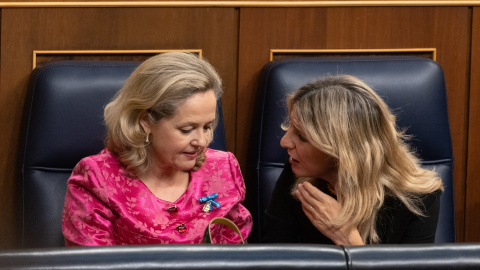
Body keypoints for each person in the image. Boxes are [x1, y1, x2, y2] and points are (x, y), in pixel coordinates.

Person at [62, 52, 252, 245]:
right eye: (187, 130)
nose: (202, 141)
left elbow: (236, 257)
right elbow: (92, 265)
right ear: (145, 121)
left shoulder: (221, 170)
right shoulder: (97, 180)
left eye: (207, 127)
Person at [261, 74, 443, 245]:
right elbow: (272, 260)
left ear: (342, 151)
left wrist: (348, 240)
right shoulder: (296, 175)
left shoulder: (419, 199)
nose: (284, 142)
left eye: (301, 136)